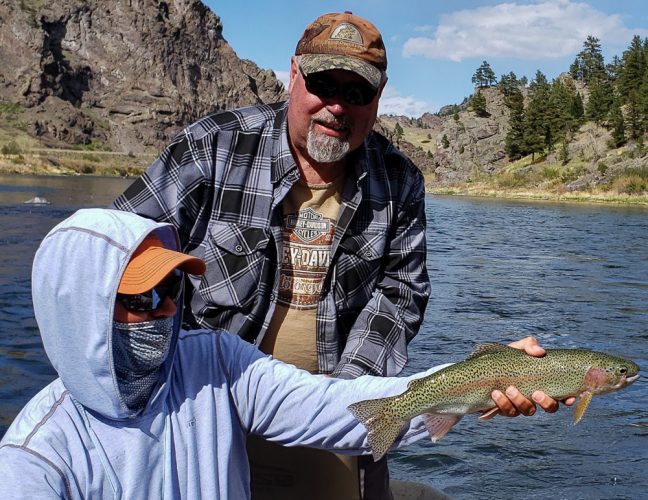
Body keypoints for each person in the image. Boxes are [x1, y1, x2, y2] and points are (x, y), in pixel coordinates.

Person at [111, 11, 568, 499]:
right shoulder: (211, 147)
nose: (336, 106)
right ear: (293, 73)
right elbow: (116, 259)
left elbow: (401, 296)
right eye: (323, 83)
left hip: (336, 420)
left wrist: (346, 401)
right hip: (200, 412)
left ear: (378, 96)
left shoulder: (400, 182)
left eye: (356, 93)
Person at [0, 208, 559, 499]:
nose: (166, 311)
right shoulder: (36, 457)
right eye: (142, 298)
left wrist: (480, 377)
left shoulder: (216, 361)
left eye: (172, 291)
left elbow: (337, 406)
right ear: (81, 309)